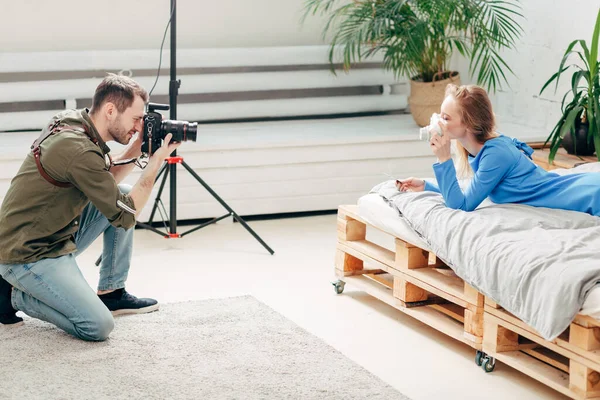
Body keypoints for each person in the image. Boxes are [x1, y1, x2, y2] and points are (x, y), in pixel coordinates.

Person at [0, 73, 180, 341]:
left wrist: (140, 146)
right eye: (135, 119)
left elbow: (105, 181)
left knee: (123, 192)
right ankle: (11, 296)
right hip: (28, 253)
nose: (138, 125)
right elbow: (126, 215)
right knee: (97, 326)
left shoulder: (74, 122)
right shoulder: (77, 148)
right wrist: (155, 163)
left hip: (54, 233)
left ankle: (112, 292)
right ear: (110, 110)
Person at [396, 84, 600, 216]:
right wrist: (427, 186)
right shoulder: (479, 150)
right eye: (440, 115)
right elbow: (470, 193)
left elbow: (461, 206)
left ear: (468, 124)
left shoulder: (496, 154)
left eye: (446, 117)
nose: (438, 122)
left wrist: (444, 158)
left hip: (587, 195)